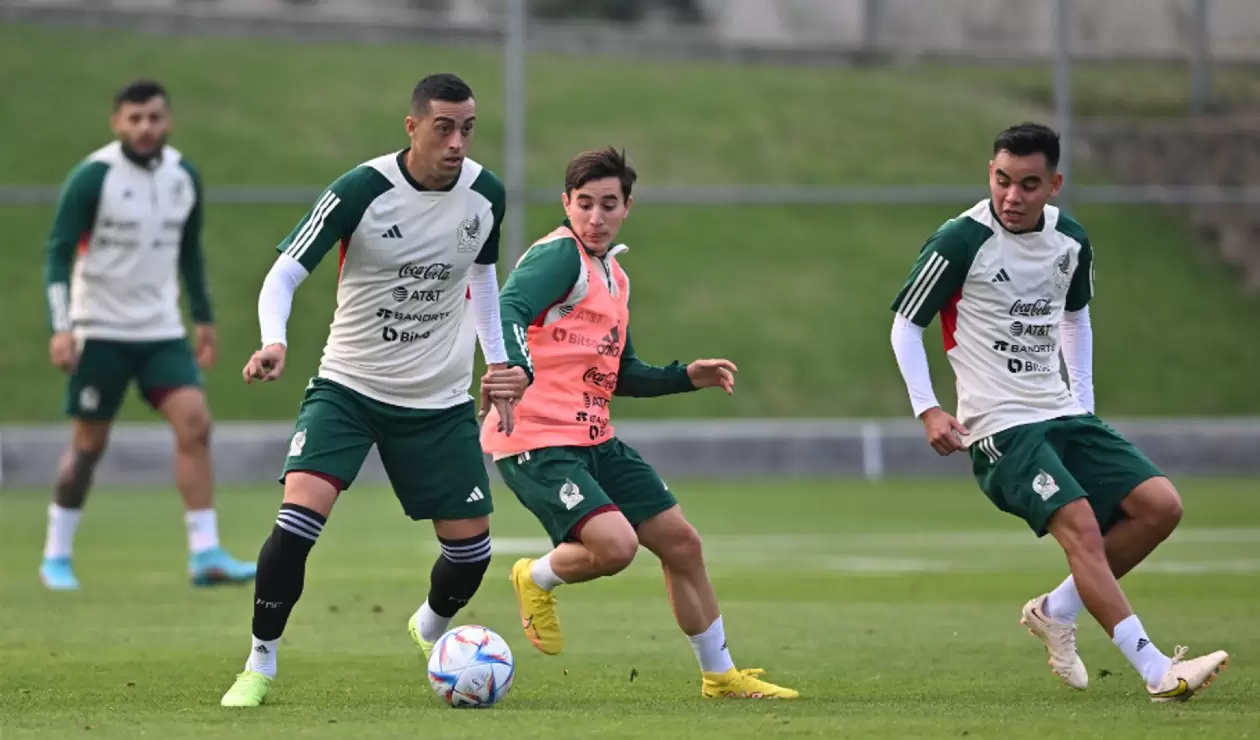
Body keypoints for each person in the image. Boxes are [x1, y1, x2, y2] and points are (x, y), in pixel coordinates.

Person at [888, 122, 1229, 702]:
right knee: (1084, 530)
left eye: (1028, 184)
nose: (1011, 197)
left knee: (1159, 508)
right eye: (1002, 181)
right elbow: (905, 325)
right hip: (999, 426)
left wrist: (1084, 407)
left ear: (1055, 185)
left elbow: (1075, 319)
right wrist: (928, 410)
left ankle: (1055, 610)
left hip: (1062, 412)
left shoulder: (1071, 239)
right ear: (990, 175)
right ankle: (1157, 672)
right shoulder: (959, 240)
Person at [220, 73, 523, 708]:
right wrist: (273, 340)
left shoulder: (485, 195)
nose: (457, 142)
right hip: (349, 389)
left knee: (471, 555)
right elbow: (282, 274)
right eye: (443, 127)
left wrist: (498, 367)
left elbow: (485, 286)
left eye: (467, 128)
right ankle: (259, 663)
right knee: (296, 524)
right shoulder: (361, 190)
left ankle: (431, 630)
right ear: (412, 127)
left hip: (438, 404)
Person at [479, 147, 799, 700]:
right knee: (617, 548)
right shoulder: (560, 258)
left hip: (594, 437)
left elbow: (620, 372)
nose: (595, 217)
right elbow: (507, 306)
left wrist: (685, 376)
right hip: (537, 437)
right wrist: (515, 369)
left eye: (608, 204)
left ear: (627, 206)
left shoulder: (615, 277)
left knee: (682, 544)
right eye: (584, 204)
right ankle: (535, 577)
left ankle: (720, 676)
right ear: (566, 204)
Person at [39, 79, 255, 592]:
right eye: (134, 118)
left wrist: (203, 319)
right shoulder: (93, 177)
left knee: (195, 424)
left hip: (160, 331)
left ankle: (206, 553)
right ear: (117, 122)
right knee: (89, 444)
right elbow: (56, 253)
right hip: (99, 330)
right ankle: (57, 554)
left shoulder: (184, 176)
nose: (145, 127)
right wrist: (61, 327)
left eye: (154, 117)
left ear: (168, 120)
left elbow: (189, 253)